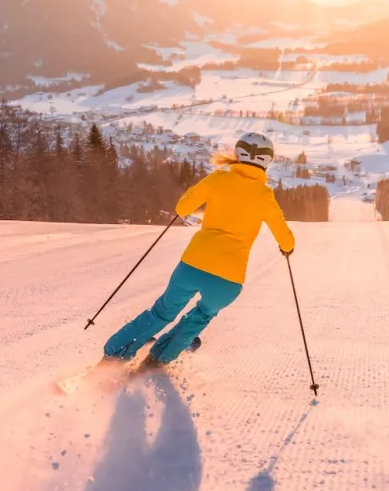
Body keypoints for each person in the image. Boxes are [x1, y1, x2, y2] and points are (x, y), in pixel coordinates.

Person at [104, 132, 295, 366]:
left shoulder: (218, 179)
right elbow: (286, 239)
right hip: (228, 278)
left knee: (163, 312)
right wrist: (287, 249)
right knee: (201, 316)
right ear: (268, 161)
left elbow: (182, 208)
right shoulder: (266, 196)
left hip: (193, 264)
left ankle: (115, 355)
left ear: (237, 153)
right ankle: (160, 357)